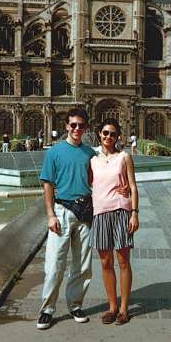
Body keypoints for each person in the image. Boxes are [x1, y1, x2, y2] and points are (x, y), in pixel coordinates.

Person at [37, 108, 96, 330]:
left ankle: (75, 305)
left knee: (82, 265)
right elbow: (47, 185)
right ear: (66, 127)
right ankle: (47, 309)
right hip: (61, 211)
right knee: (54, 264)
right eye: (73, 125)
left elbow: (95, 182)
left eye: (81, 125)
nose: (77, 129)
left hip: (84, 212)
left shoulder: (90, 154)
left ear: (86, 128)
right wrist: (50, 214)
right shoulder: (54, 152)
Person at [90, 118, 139, 325]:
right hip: (100, 213)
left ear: (118, 136)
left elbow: (133, 186)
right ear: (99, 134)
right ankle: (112, 307)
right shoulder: (92, 160)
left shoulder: (124, 157)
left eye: (112, 133)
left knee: (123, 261)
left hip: (121, 211)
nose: (108, 137)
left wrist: (135, 213)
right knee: (105, 262)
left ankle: (124, 310)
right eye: (105, 133)